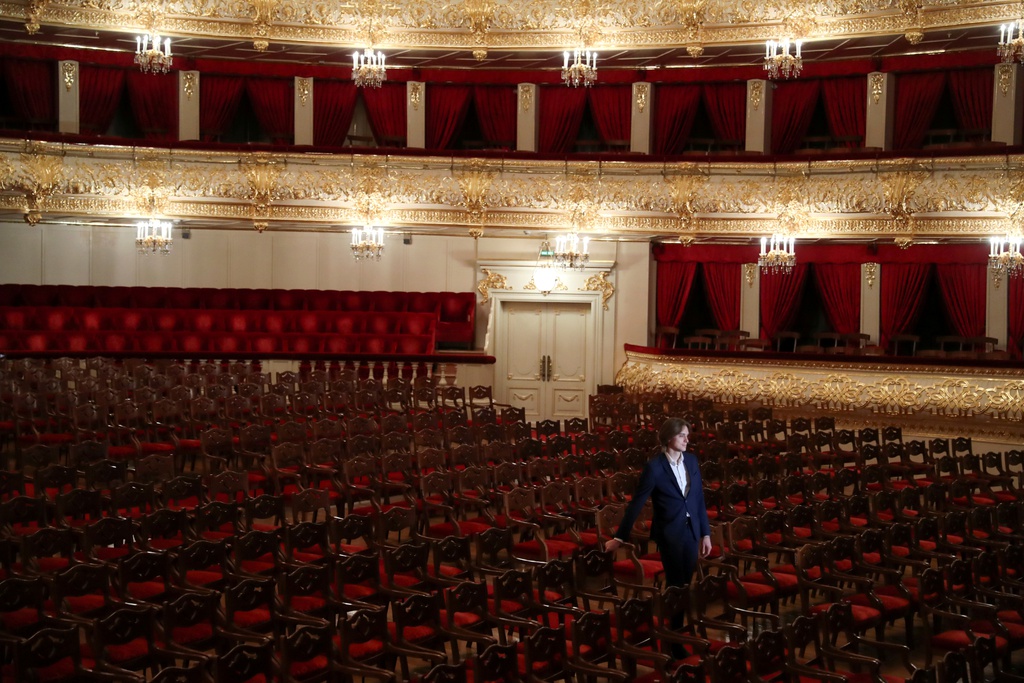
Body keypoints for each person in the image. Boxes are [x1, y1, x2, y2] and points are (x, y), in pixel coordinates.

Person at [604, 417, 712, 599]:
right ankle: (674, 617)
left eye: (687, 435)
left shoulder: (692, 461)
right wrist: (619, 537)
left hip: (692, 530)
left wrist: (706, 534)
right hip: (669, 532)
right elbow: (636, 504)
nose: (687, 440)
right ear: (669, 437)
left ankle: (677, 615)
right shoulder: (654, 468)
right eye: (682, 435)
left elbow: (698, 499)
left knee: (687, 580)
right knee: (676, 583)